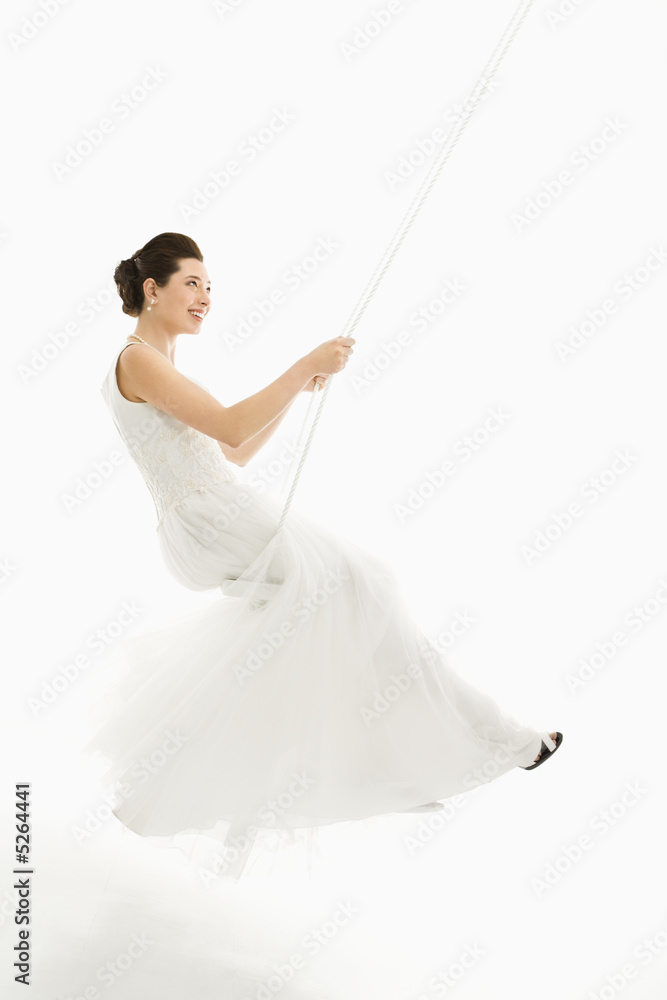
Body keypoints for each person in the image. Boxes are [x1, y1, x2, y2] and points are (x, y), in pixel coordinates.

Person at [84, 231, 562, 880]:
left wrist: (301, 384)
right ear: (152, 289)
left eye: (209, 287)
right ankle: (442, 751)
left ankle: (187, 789)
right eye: (192, 283)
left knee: (321, 617)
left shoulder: (157, 363)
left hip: (213, 513)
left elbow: (235, 451)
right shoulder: (138, 360)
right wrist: (302, 363)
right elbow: (230, 426)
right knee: (363, 583)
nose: (204, 297)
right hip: (209, 519)